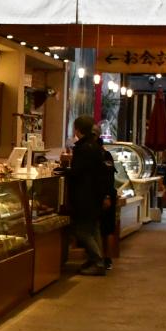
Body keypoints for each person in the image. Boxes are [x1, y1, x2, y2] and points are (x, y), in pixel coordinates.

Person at [65, 116, 114, 275]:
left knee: (82, 231)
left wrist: (65, 171)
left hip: (84, 196)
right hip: (95, 195)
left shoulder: (83, 149)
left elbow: (77, 172)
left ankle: (98, 261)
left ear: (78, 130)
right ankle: (96, 260)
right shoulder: (95, 148)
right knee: (94, 229)